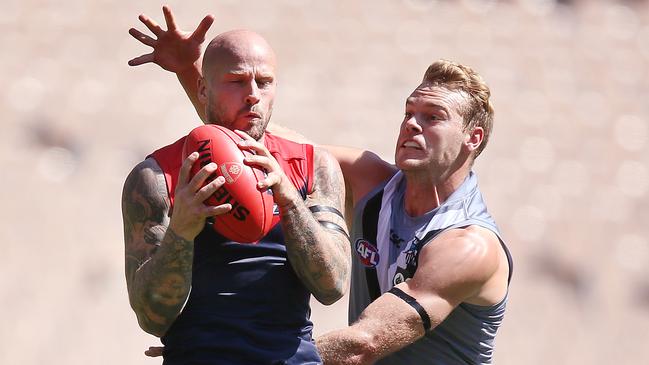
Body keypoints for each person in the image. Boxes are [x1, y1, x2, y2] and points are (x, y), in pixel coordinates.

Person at [129, 7, 513, 364]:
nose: (412, 124)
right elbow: (242, 143)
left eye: (432, 117)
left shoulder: (468, 246)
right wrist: (190, 70)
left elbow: (365, 343)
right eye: (409, 113)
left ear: (472, 138)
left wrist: (241, 348)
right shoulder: (373, 181)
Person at [122, 6, 351, 364]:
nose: (253, 94)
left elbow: (333, 287)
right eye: (237, 80)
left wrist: (289, 201)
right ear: (202, 87)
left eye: (265, 82)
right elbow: (151, 317)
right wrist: (181, 230)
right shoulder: (157, 176)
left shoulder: (313, 165)